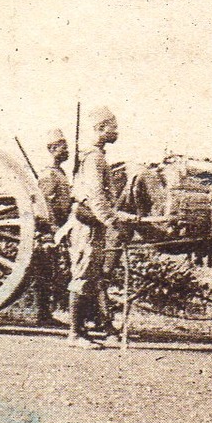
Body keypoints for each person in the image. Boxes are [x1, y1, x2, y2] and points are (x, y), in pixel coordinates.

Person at [65, 107, 137, 348]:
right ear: (99, 129)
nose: (116, 131)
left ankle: (82, 331)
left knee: (91, 276)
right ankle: (75, 335)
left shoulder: (96, 155)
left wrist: (119, 214)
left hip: (94, 224)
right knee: (83, 275)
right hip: (88, 226)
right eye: (112, 127)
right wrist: (112, 221)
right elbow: (95, 196)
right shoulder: (94, 157)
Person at [34, 131, 73, 327]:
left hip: (61, 227)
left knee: (54, 271)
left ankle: (47, 313)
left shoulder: (60, 173)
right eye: (62, 147)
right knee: (45, 271)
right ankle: (43, 314)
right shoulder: (48, 174)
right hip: (49, 231)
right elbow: (44, 205)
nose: (67, 151)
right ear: (51, 149)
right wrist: (54, 228)